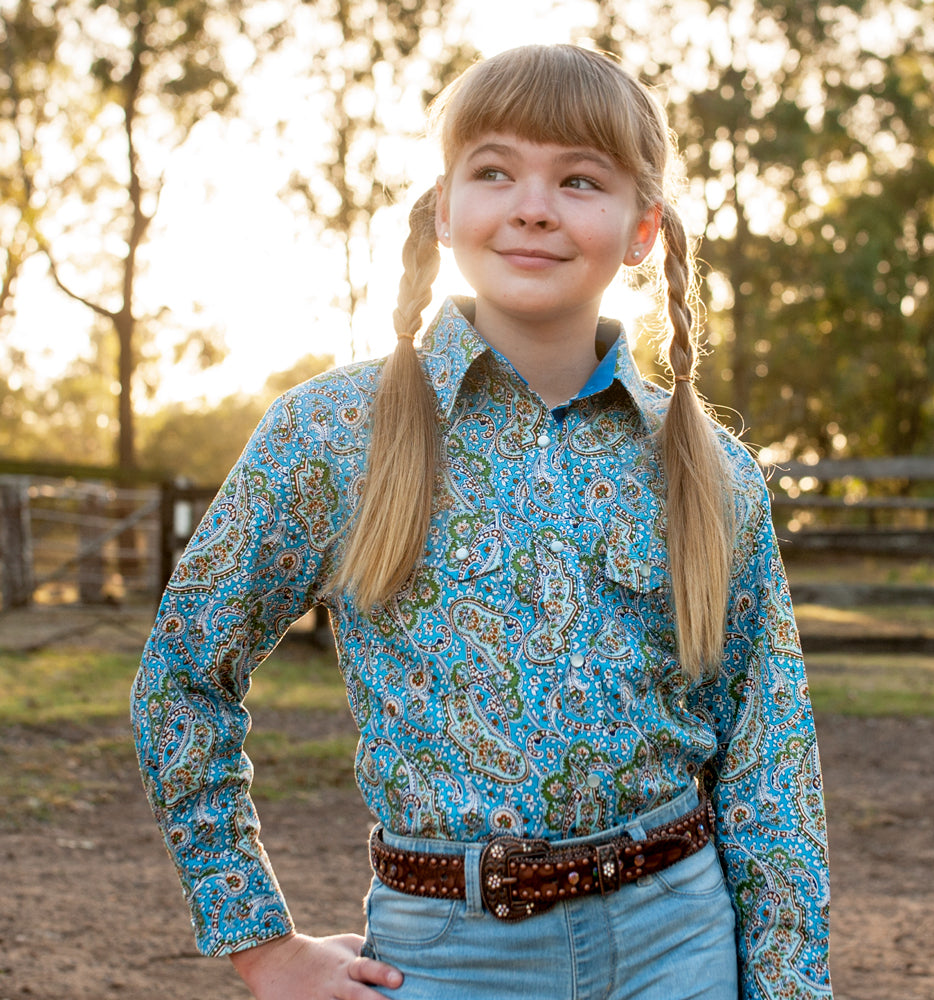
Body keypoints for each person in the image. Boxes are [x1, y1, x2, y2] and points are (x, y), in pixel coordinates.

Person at [131, 44, 833, 1000]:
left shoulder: (714, 470)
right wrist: (259, 939)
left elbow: (771, 754)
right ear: (444, 209)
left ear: (641, 230)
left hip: (682, 944)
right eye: (494, 170)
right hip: (445, 957)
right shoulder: (333, 434)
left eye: (580, 179)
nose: (533, 205)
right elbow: (181, 676)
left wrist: (790, 987)